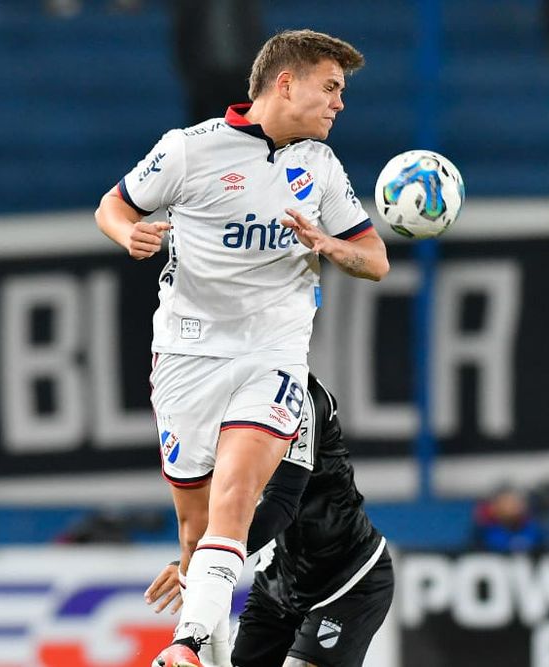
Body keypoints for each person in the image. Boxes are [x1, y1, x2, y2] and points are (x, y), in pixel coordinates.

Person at [93, 29, 389, 667]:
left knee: (235, 495)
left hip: (273, 353)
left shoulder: (322, 169)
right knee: (196, 530)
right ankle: (208, 651)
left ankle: (187, 644)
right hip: (185, 354)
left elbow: (375, 259)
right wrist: (129, 234)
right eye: (331, 88)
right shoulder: (189, 151)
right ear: (287, 83)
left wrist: (331, 246)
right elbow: (113, 205)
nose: (339, 103)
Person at [145, 374, 393, 667]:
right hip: (277, 582)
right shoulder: (219, 400)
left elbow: (280, 505)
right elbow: (217, 504)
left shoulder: (302, 398)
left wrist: (203, 564)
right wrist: (192, 561)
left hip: (345, 578)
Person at [173, 0, 264, 124]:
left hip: (240, 74)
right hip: (204, 76)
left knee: (243, 131)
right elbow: (184, 35)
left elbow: (253, 31)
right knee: (202, 131)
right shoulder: (192, 5)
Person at [472, 485, 546, 552]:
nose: (512, 506)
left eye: (515, 502)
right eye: (506, 502)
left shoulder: (534, 529)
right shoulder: (483, 532)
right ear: (495, 506)